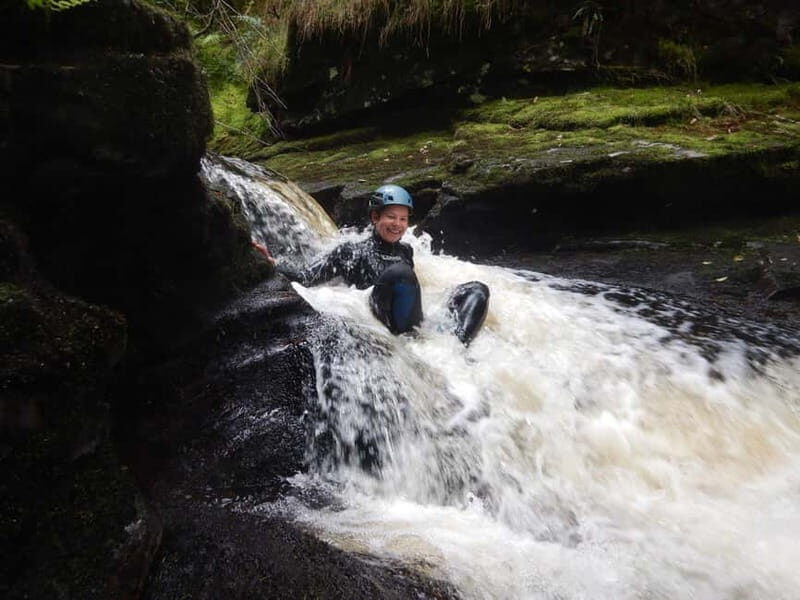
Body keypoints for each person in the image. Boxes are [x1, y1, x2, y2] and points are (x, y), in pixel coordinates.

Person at [254, 184, 489, 345]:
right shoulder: (350, 251)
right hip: (380, 318)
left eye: (403, 219)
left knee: (477, 290)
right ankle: (421, 342)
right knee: (401, 273)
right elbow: (306, 277)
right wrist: (273, 263)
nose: (397, 224)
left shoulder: (406, 250)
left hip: (415, 322)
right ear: (375, 217)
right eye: (391, 217)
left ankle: (454, 349)